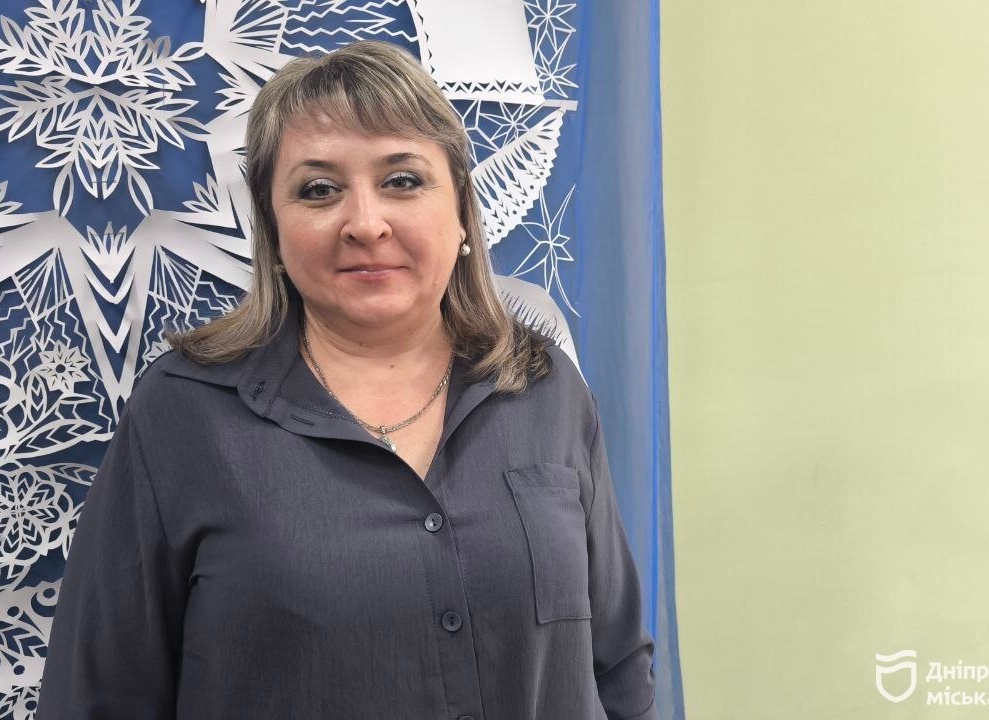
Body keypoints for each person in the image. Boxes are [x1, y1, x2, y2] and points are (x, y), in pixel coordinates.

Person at [35, 40, 658, 720]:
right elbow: (97, 697)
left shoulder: (545, 389)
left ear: (462, 214)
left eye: (403, 180)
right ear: (274, 231)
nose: (365, 224)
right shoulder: (183, 413)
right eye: (319, 190)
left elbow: (619, 667)